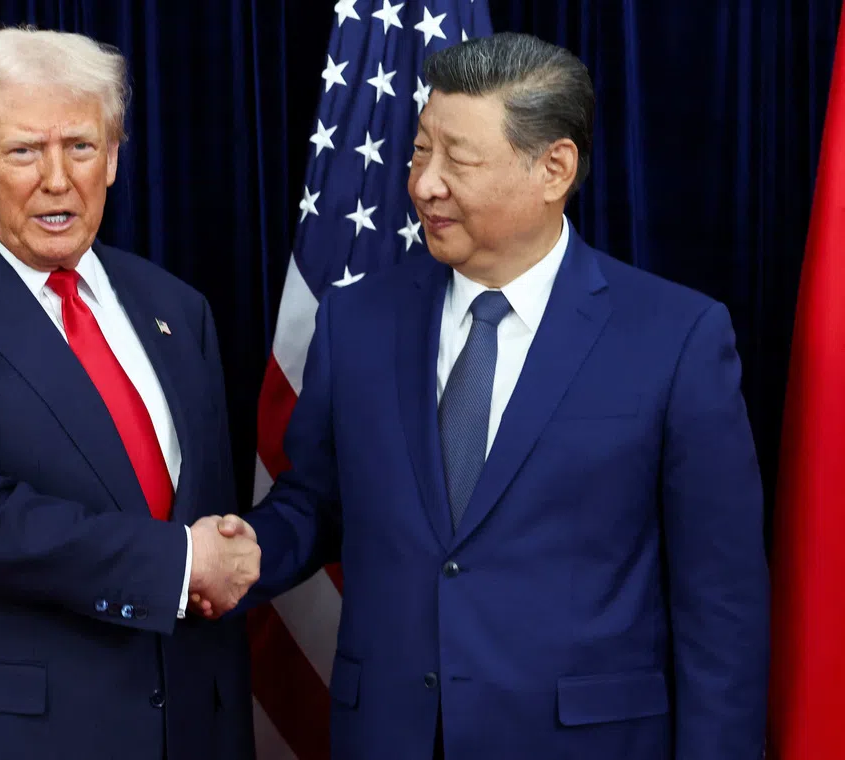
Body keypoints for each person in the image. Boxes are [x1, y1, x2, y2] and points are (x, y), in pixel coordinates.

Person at [207, 32, 770, 759]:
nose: (424, 184)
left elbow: (721, 606)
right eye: (419, 152)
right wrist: (249, 551)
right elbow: (317, 502)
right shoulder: (357, 320)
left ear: (554, 168)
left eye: (458, 160)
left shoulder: (676, 336)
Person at [0, 28, 257, 760]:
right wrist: (178, 564)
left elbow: (203, 514)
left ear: (113, 156)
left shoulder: (176, 308)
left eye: (81, 147)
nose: (57, 179)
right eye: (25, 151)